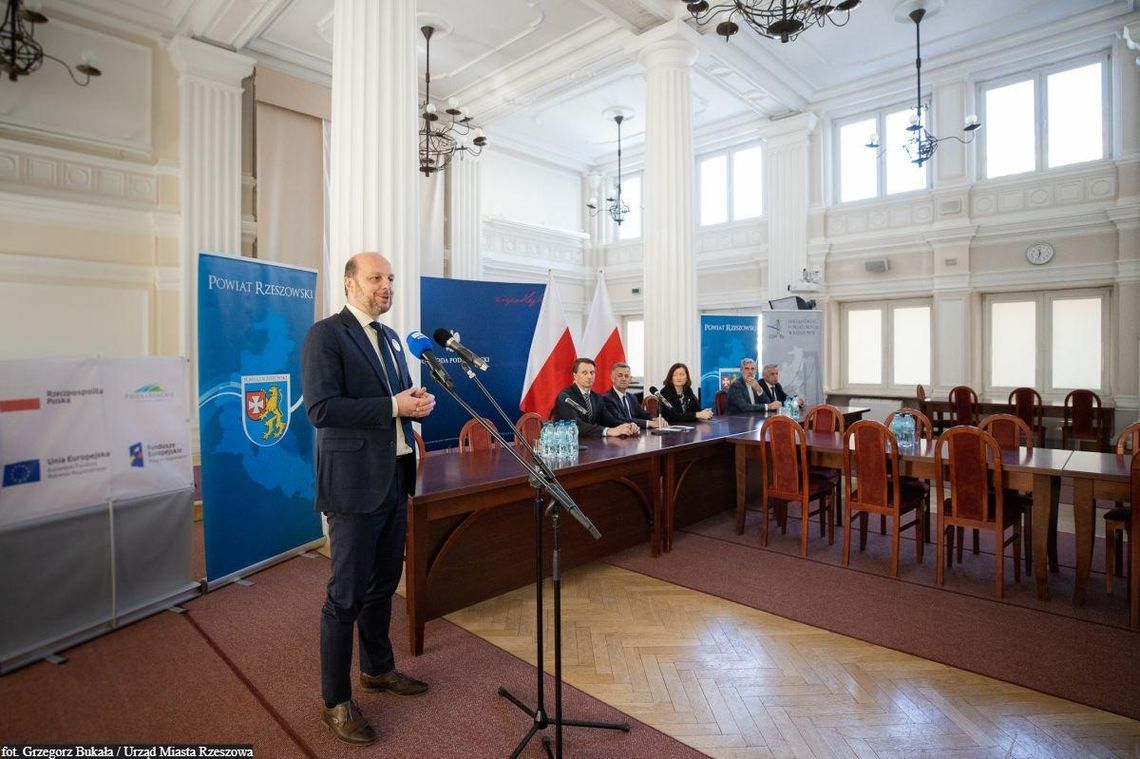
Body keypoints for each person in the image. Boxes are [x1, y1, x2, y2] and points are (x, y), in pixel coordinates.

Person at [301, 252, 436, 747]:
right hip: (353, 486)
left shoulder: (393, 338)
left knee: (382, 586)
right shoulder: (326, 335)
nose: (386, 286)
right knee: (346, 596)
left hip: (394, 479)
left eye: (391, 279)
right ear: (349, 284)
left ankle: (377, 669)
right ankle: (335, 701)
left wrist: (415, 404)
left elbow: (395, 403)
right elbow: (322, 408)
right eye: (376, 278)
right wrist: (392, 405)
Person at [552, 358, 640, 437]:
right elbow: (575, 425)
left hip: (591, 444)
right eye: (584, 373)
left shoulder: (596, 397)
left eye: (592, 373)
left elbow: (609, 420)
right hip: (568, 446)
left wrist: (628, 425)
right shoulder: (565, 397)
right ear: (575, 376)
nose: (589, 376)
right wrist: (608, 431)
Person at [603, 362, 665, 430]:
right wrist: (649, 423)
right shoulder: (606, 398)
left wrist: (655, 419)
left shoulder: (632, 397)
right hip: (616, 438)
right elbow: (619, 420)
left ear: (630, 379)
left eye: (626, 376)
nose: (623, 379)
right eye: (620, 375)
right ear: (612, 378)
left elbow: (643, 415)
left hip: (634, 435)